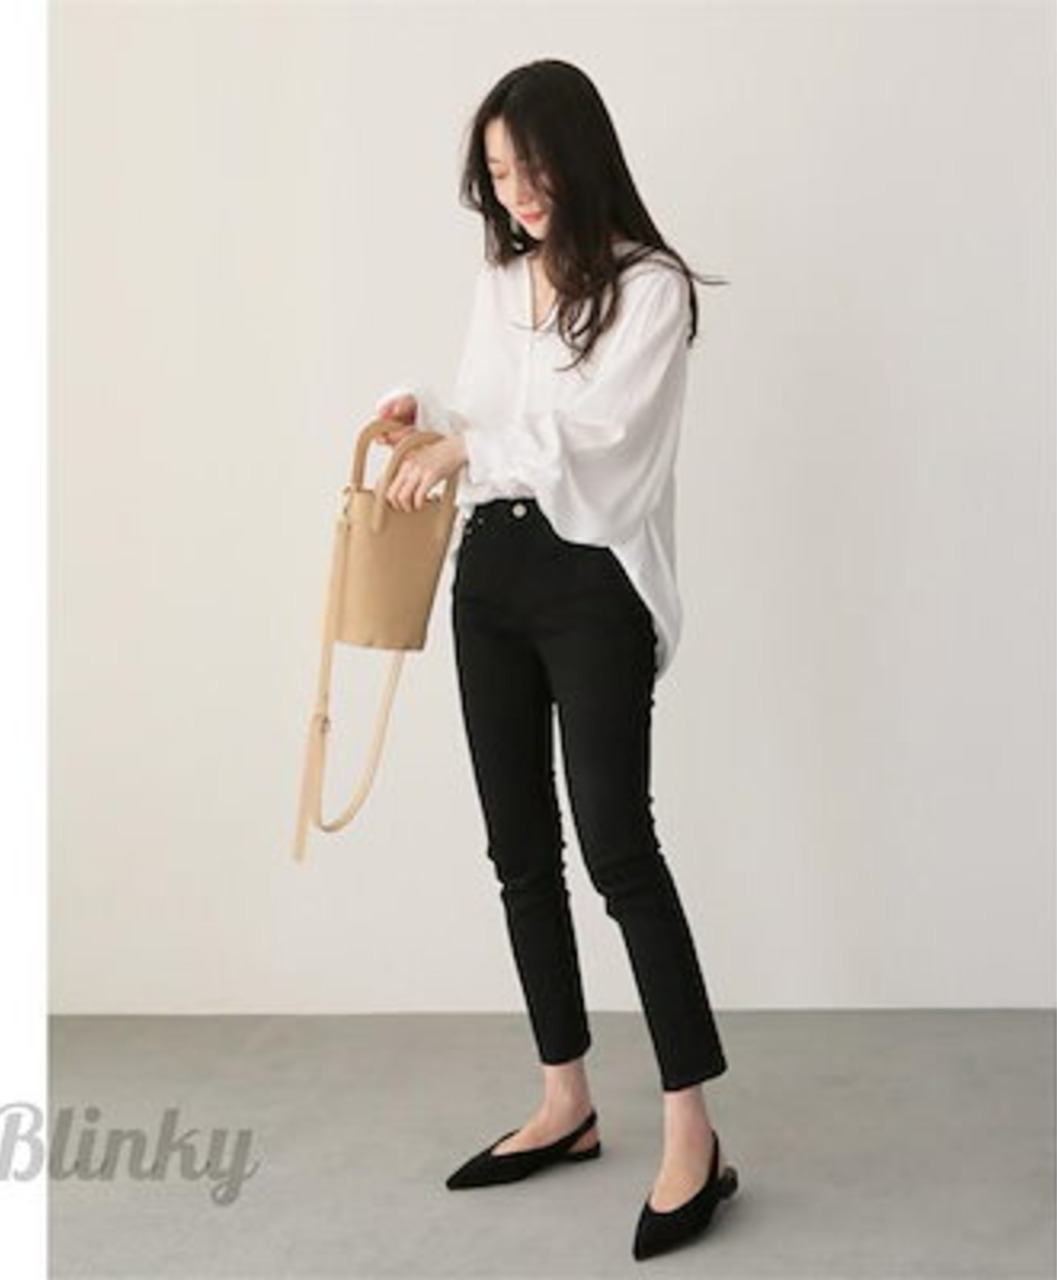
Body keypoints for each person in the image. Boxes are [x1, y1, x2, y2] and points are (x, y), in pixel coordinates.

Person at [371, 59, 738, 1261]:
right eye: (495, 173)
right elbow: (484, 411)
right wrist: (421, 418)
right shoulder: (500, 279)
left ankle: (692, 1130)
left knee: (618, 848)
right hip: (490, 574)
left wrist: (470, 446)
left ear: (578, 155)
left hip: (593, 581)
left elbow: (604, 437)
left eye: (529, 167)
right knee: (518, 847)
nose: (516, 193)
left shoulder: (650, 288)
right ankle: (564, 1098)